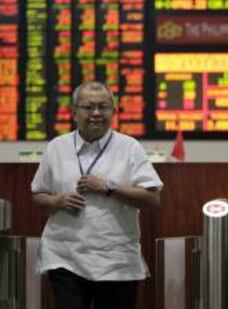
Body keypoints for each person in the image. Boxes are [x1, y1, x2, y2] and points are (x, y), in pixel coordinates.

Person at [31, 81, 163, 309]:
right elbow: (38, 194)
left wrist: (110, 188)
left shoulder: (129, 147)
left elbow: (152, 199)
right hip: (65, 257)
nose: (96, 114)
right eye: (88, 107)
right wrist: (56, 201)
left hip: (116, 261)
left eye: (103, 107)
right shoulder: (57, 147)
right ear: (73, 112)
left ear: (113, 111)